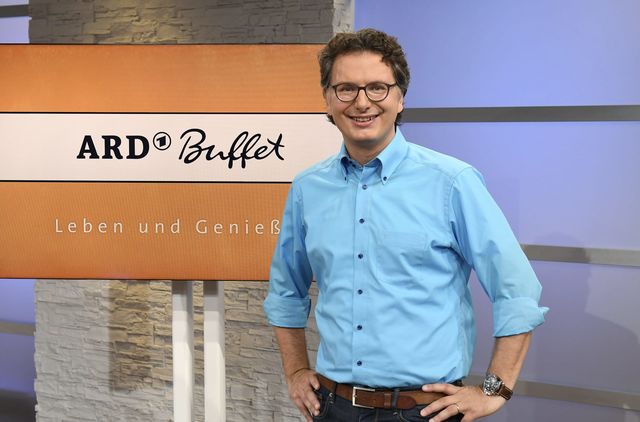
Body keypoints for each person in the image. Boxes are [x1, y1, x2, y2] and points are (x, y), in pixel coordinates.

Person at [263, 28, 548, 422]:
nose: (362, 102)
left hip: (424, 411)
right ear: (327, 99)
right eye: (346, 88)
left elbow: (517, 292)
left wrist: (494, 390)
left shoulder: (452, 182)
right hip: (332, 407)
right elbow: (285, 292)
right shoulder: (307, 188)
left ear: (400, 98)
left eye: (378, 88)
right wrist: (295, 371)